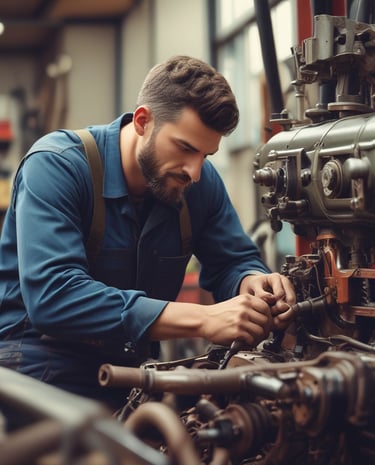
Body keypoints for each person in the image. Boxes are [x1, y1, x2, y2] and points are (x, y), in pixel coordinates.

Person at [0, 55, 295, 409]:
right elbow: (54, 295)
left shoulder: (196, 184)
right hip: (39, 370)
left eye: (206, 154)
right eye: (185, 148)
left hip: (133, 373)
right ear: (143, 121)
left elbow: (233, 259)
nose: (195, 171)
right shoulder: (57, 165)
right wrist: (203, 319)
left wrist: (251, 280)